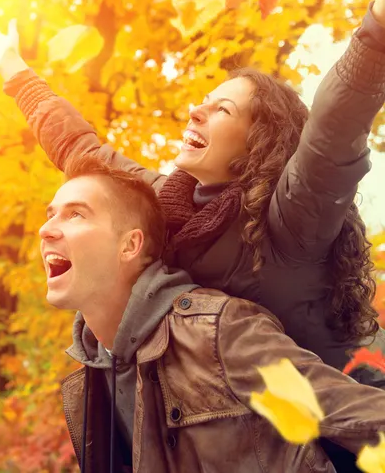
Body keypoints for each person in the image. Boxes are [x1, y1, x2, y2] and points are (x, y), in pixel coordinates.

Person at [0, 0, 385, 376]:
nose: (195, 112)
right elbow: (81, 151)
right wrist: (15, 72)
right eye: (201, 103)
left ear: (260, 142)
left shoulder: (294, 216)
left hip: (348, 423)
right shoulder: (168, 201)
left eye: (222, 110)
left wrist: (377, 29)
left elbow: (333, 126)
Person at [41, 155, 385, 473]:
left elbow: (360, 416)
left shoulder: (217, 332)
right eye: (50, 214)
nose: (47, 230)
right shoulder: (90, 379)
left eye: (76, 214)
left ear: (130, 245)